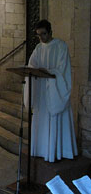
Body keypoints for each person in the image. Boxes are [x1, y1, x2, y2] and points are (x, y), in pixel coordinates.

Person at [25, 19, 78, 162]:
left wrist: (48, 71)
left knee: (55, 119)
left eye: (44, 34)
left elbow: (63, 70)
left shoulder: (61, 46)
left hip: (55, 91)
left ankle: (56, 151)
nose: (41, 37)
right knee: (41, 119)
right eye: (38, 35)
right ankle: (42, 149)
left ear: (50, 32)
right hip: (42, 90)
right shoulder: (38, 48)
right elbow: (32, 65)